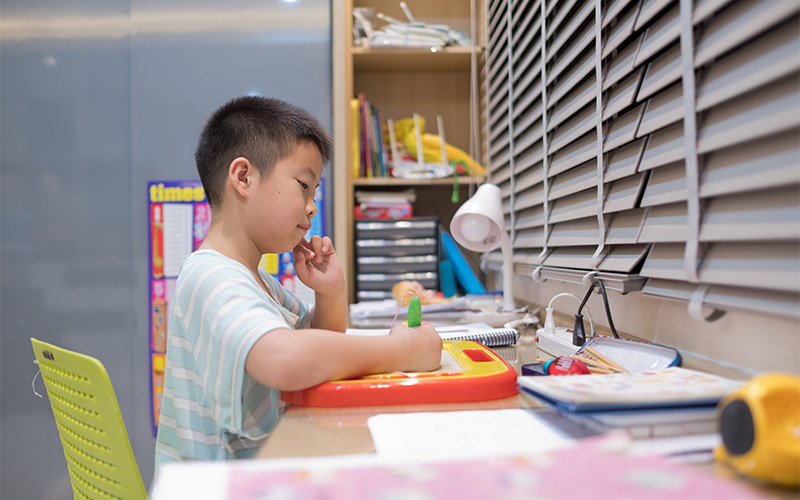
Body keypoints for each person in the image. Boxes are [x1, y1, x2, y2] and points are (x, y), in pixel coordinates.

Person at [154, 96, 442, 469]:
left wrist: (331, 291)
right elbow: (286, 360)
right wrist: (403, 351)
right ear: (244, 178)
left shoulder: (260, 282)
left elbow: (318, 348)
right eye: (304, 186)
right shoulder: (211, 277)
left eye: (315, 192)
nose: (312, 206)